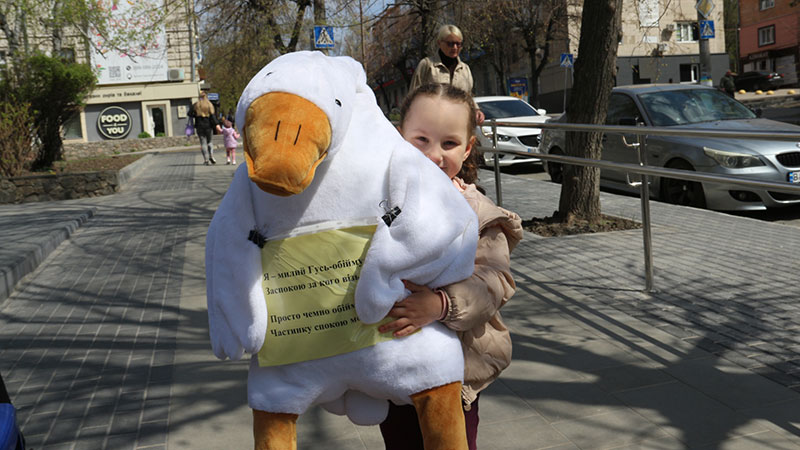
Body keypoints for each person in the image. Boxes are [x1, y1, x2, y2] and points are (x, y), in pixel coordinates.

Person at [378, 83, 523, 450]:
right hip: (394, 369)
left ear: (468, 148)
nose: (433, 155)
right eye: (421, 140)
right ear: (399, 136)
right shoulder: (381, 203)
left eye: (449, 143)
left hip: (457, 374)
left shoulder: (478, 212)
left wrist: (441, 304)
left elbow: (494, 281)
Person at [409, 24, 485, 124]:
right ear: (439, 43)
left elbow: (468, 96)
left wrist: (476, 110)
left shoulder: (465, 69)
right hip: (432, 122)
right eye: (450, 44)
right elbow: (413, 95)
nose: (455, 47)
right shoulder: (427, 65)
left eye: (458, 44)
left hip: (459, 122)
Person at [189, 92, 222, 165]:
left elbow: (189, 113)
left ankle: (206, 159)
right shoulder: (209, 104)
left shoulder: (196, 105)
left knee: (203, 143)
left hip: (199, 126)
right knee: (210, 142)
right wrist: (217, 124)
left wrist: (196, 115)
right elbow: (213, 116)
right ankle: (211, 155)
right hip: (208, 126)